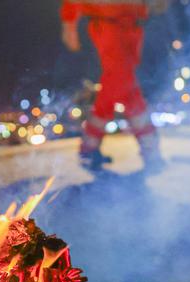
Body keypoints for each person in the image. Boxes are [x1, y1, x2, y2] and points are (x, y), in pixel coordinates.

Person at [61, 0, 167, 172]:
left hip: (130, 23)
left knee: (122, 89)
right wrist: (69, 22)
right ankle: (149, 151)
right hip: (110, 23)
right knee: (121, 84)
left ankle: (89, 150)